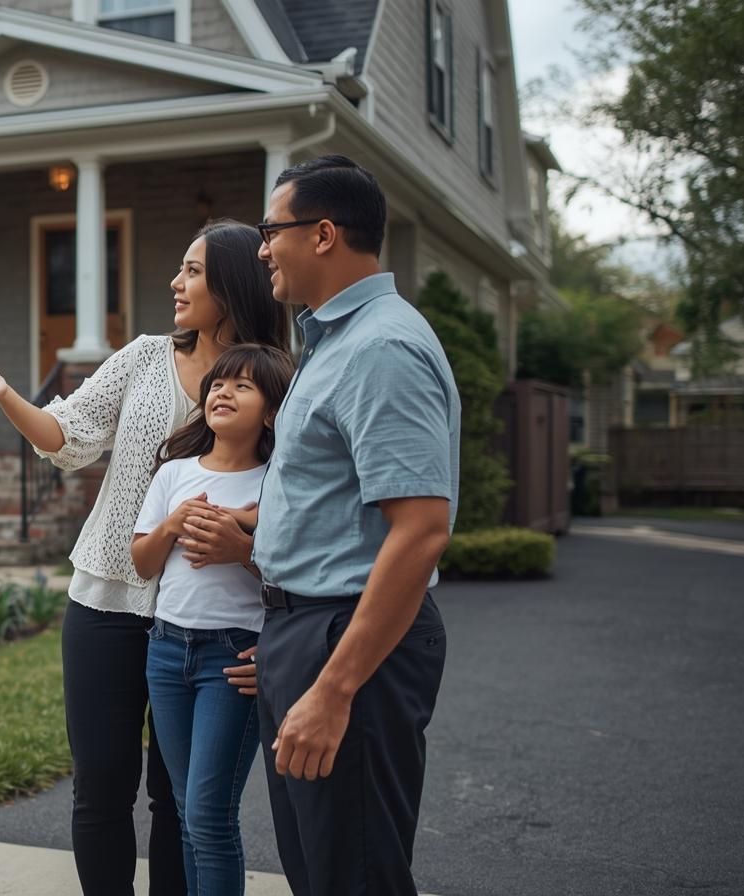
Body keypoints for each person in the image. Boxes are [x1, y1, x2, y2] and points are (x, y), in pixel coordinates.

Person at [0, 220, 289, 896]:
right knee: (101, 787)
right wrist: (4, 389)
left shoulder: (272, 383)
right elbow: (68, 436)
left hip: (205, 620)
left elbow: (290, 512)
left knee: (180, 801)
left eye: (192, 270)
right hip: (105, 598)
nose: (176, 282)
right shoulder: (143, 356)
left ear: (232, 284)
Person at [248, 154, 459, 895]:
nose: (263, 246)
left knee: (354, 876)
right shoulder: (332, 339)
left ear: (326, 233)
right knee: (320, 870)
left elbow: (422, 529)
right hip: (305, 631)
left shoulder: (380, 349)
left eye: (273, 229)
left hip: (350, 643)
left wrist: (334, 688)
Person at [132, 344, 295, 896]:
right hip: (166, 650)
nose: (223, 391)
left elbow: (290, 579)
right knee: (185, 812)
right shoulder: (174, 474)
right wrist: (174, 523)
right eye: (220, 383)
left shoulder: (278, 483)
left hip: (233, 658)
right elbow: (143, 562)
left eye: (243, 386)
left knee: (207, 814)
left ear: (271, 412)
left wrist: (242, 545)